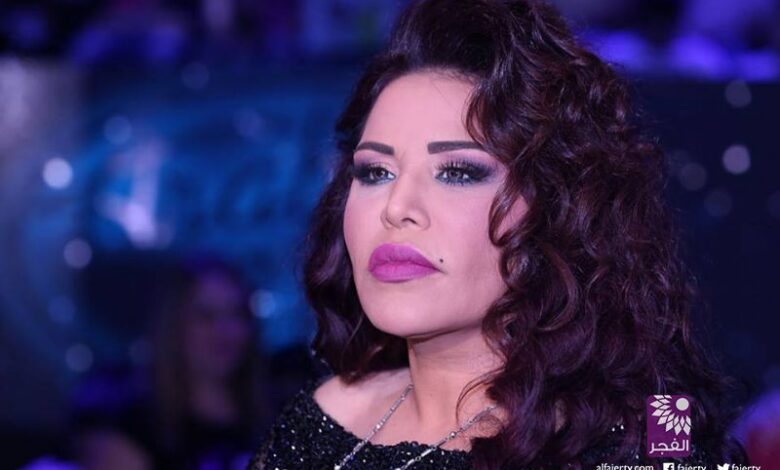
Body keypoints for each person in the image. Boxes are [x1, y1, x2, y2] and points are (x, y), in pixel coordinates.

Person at [250, 0, 749, 468]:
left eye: (457, 172)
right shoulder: (321, 420)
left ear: (557, 208)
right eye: (375, 172)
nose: (396, 208)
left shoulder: (653, 442)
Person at [76, 254, 271, 470]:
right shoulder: (129, 434)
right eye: (206, 316)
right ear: (173, 325)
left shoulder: (275, 417)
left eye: (236, 314)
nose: (225, 331)